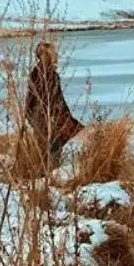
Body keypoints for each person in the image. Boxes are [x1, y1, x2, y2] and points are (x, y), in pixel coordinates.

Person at [23, 41, 83, 170]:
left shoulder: (46, 73)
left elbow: (56, 97)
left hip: (44, 113)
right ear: (46, 55)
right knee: (53, 142)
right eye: (53, 53)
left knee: (55, 140)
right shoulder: (42, 74)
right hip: (42, 114)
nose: (56, 56)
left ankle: (49, 170)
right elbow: (44, 97)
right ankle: (50, 171)